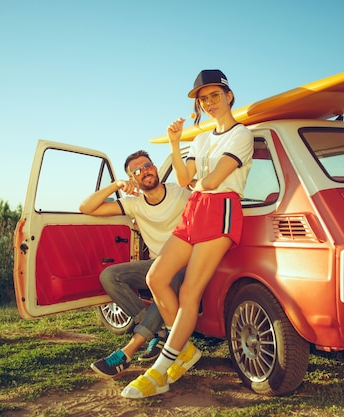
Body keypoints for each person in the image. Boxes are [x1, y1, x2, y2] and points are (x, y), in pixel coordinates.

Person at [121, 70, 254, 398]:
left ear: (229, 95)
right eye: (203, 99)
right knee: (156, 277)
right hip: (195, 209)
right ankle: (184, 350)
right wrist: (176, 143)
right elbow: (184, 179)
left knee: (190, 293)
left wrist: (199, 181)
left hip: (221, 210)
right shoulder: (202, 138)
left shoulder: (241, 135)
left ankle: (160, 370)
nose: (209, 103)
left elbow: (212, 181)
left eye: (214, 96)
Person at [79, 150, 191, 379]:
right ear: (133, 179)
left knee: (164, 281)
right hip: (155, 264)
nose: (145, 171)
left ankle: (127, 351)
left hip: (184, 262)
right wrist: (115, 185)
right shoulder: (134, 204)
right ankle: (156, 333)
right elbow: (86, 208)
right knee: (109, 276)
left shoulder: (180, 193)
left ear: (156, 167)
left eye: (148, 165)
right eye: (136, 170)